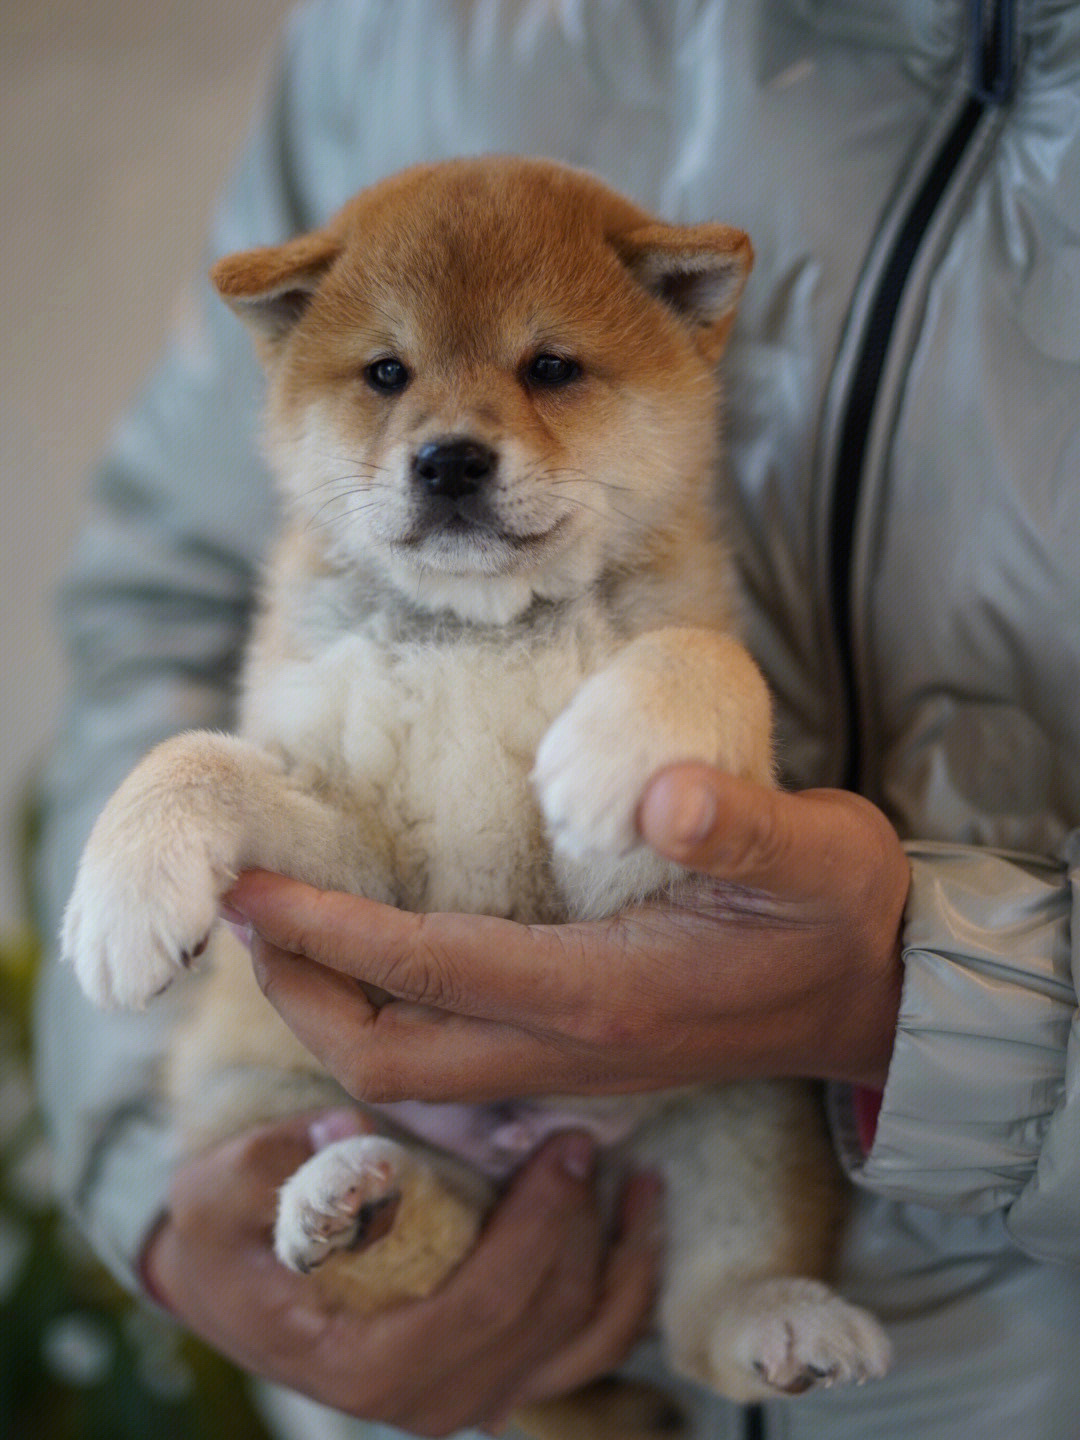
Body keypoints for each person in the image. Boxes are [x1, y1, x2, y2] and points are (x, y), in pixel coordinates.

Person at [34, 2, 1080, 1438]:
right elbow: (162, 619)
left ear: (691, 327)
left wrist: (937, 1003)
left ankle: (727, 1310)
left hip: (989, 1362)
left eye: (549, 370)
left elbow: (677, 791)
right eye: (388, 375)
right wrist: (147, 1183)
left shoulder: (668, 611)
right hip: (378, 1178)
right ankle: (388, 1240)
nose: (455, 436)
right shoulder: (401, 26)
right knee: (346, 1155)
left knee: (736, 1120)